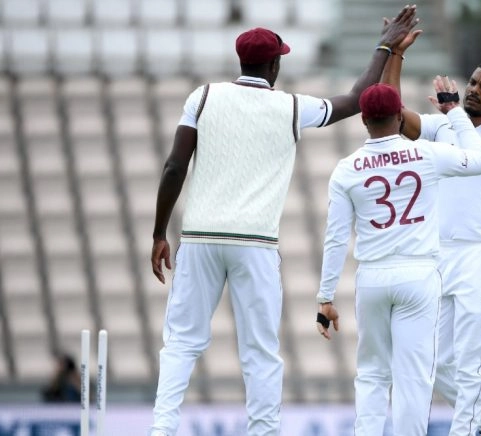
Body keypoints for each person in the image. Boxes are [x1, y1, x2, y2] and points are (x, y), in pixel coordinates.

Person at [148, 7, 419, 435]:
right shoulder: (291, 106)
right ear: (274, 65)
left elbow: (173, 168)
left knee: (181, 342)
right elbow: (355, 100)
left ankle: (161, 429)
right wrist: (384, 47)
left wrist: (159, 232)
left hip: (199, 237)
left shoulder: (201, 97)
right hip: (255, 244)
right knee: (260, 351)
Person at [381, 41, 481, 436]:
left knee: (471, 361)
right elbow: (390, 111)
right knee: (432, 362)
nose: (474, 90)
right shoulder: (442, 126)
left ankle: (467, 431)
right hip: (439, 256)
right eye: (472, 82)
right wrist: (394, 55)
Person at [315, 81, 481, 435]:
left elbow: (336, 238)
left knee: (372, 373)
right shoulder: (427, 153)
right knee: (413, 377)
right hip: (419, 273)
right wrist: (455, 113)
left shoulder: (347, 168)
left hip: (373, 276)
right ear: (399, 116)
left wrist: (326, 297)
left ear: (363, 119)